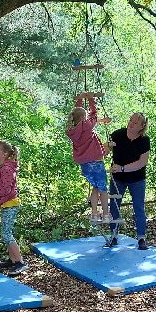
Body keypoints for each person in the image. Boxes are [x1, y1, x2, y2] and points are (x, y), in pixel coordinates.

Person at [66, 92, 111, 222]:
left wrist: (79, 101)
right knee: (103, 188)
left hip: (84, 165)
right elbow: (94, 115)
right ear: (83, 117)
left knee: (95, 187)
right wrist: (91, 100)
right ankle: (106, 214)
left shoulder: (71, 128)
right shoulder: (86, 125)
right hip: (96, 162)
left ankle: (94, 213)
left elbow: (75, 113)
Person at [108, 112, 150, 250]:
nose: (131, 123)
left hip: (137, 179)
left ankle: (141, 237)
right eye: (130, 120)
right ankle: (113, 235)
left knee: (138, 207)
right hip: (117, 179)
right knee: (114, 206)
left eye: (135, 122)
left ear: (142, 126)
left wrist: (122, 168)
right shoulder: (117, 134)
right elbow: (104, 149)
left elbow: (141, 163)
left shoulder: (144, 141)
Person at [0, 141, 27, 275]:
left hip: (10, 204)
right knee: (6, 233)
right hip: (7, 204)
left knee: (6, 234)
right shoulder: (5, 167)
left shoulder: (7, 169)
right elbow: (3, 187)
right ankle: (12, 260)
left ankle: (20, 262)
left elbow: (6, 190)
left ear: (4, 154)